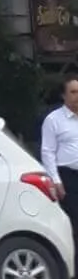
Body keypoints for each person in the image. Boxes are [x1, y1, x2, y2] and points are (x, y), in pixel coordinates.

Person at [40, 76, 78, 246]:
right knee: (74, 224)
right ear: (64, 95)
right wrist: (56, 180)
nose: (77, 96)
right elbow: (47, 152)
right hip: (69, 178)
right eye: (73, 92)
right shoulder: (54, 120)